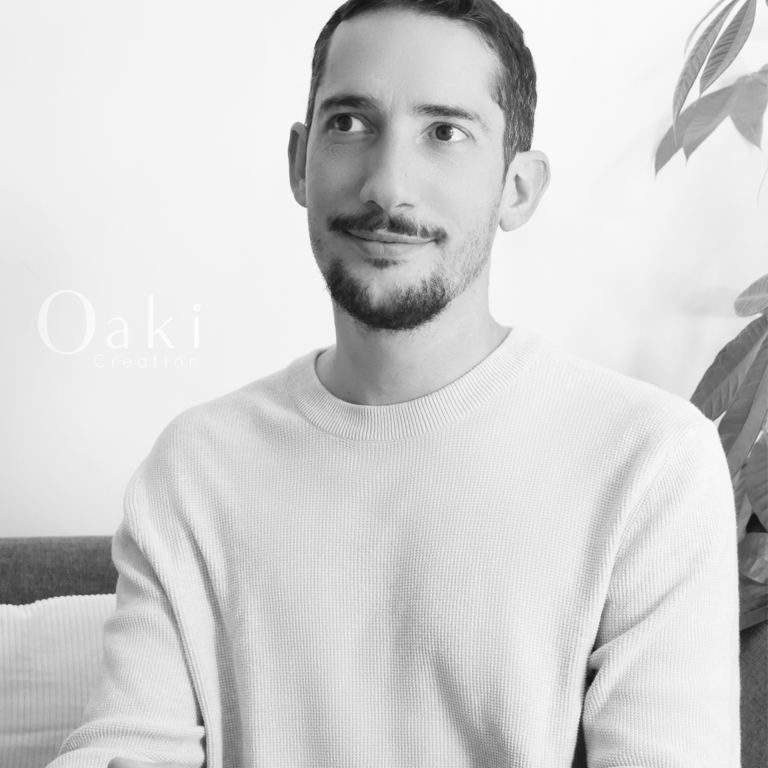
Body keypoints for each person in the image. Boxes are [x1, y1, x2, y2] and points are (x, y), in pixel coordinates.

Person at [48, 1, 741, 767]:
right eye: (349, 123)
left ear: (518, 187)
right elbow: (127, 743)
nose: (388, 185)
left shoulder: (650, 462)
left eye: (445, 131)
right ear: (298, 163)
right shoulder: (194, 464)